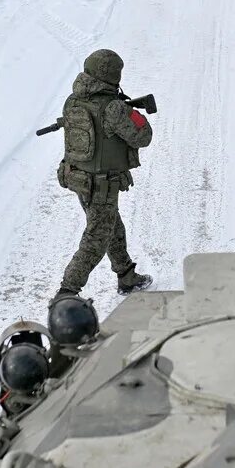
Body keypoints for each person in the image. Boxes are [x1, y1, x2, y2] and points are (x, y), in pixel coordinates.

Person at [55, 49, 154, 299]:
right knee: (97, 237)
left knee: (111, 225)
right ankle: (67, 292)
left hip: (79, 178)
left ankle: (126, 275)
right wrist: (133, 113)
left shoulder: (73, 100)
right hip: (101, 184)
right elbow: (143, 136)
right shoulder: (113, 108)